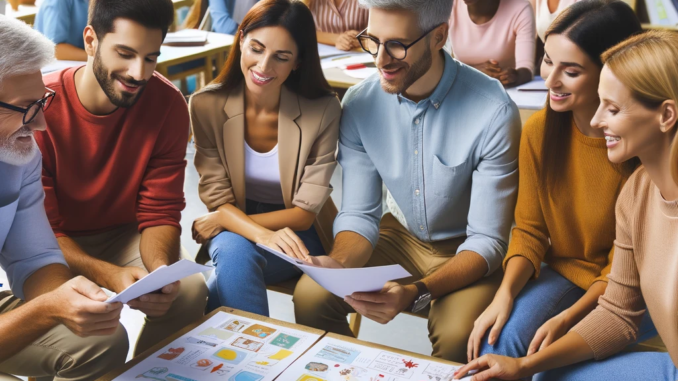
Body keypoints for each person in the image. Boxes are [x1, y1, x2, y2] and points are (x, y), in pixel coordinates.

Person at [293, 0, 522, 363]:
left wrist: (416, 291)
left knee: (458, 335)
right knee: (310, 296)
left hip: (467, 251)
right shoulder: (359, 102)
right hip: (398, 237)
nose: (381, 59)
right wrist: (339, 264)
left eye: (397, 45)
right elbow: (360, 214)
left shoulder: (493, 111)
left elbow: (488, 240)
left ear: (439, 37)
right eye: (373, 41)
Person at [455, 30, 678, 381]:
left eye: (613, 108)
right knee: (540, 372)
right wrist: (525, 366)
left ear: (666, 115)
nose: (597, 119)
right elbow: (619, 314)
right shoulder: (637, 193)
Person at [34, 0, 208, 356]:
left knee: (187, 289)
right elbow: (39, 233)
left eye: (150, 57)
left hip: (122, 234)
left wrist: (160, 272)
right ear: (90, 41)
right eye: (125, 53)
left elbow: (160, 212)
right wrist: (108, 274)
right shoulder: (39, 107)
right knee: (95, 335)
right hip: (51, 243)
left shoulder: (169, 105)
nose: (138, 73)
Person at [190, 0, 341, 317]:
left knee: (225, 273)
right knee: (233, 251)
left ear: (297, 62)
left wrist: (221, 219)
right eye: (256, 48)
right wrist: (254, 231)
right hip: (235, 226)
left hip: (299, 234)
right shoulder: (206, 105)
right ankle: (257, 355)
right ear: (241, 38)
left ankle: (243, 354)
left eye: (281, 57)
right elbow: (217, 197)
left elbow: (302, 214)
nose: (263, 66)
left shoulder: (322, 109)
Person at [0, 15, 127, 380]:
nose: (40, 125)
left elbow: (35, 256)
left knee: (100, 338)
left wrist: (71, 296)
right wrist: (47, 311)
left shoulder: (17, 154)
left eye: (42, 103)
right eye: (26, 108)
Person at [449, 0, 535, 88]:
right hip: (461, 88)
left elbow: (526, 70)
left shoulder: (520, 8)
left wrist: (512, 76)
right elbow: (439, 68)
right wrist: (475, 72)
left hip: (504, 91)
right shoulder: (450, 6)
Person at [304, 0, 368, 51]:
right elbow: (301, 32)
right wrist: (336, 39)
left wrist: (361, 41)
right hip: (325, 56)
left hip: (364, 53)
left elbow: (377, 31)